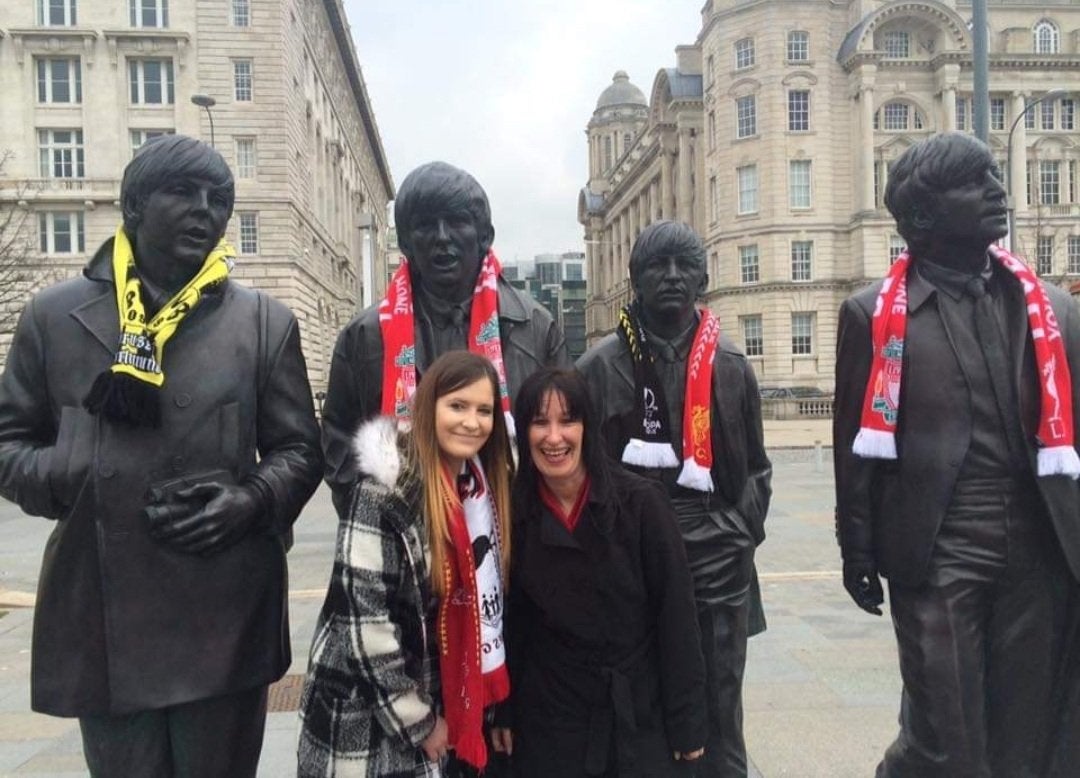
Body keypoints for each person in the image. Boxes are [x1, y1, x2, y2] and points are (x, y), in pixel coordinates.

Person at [0, 134, 322, 776]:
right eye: (184, 193)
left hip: (225, 606)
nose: (206, 210)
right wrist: (68, 473)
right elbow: (8, 443)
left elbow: (298, 450)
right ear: (135, 205)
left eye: (219, 199)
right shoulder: (53, 317)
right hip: (105, 610)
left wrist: (253, 499)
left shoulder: (263, 322)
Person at [833, 131, 1080, 777]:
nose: (998, 191)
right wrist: (856, 549)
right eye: (976, 183)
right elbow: (857, 450)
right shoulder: (873, 316)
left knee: (1025, 740)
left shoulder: (1054, 312)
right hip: (940, 549)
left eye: (995, 176)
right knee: (950, 743)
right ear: (922, 215)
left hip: (1039, 549)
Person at [576, 220, 771, 777]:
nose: (671, 277)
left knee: (719, 717)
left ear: (703, 277)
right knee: (635, 714)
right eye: (656, 266)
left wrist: (737, 533)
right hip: (629, 566)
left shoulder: (730, 366)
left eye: (684, 265)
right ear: (634, 280)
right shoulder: (597, 369)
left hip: (717, 565)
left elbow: (757, 468)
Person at [299, 351, 515, 778]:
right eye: (457, 406)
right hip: (367, 717)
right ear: (428, 406)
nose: (472, 422)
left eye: (484, 410)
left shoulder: (476, 493)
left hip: (436, 698)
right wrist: (419, 721)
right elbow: (365, 626)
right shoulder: (383, 492)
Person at [321, 161, 569, 518]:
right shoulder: (366, 335)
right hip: (406, 536)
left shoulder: (535, 327)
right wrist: (377, 517)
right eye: (425, 225)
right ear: (406, 242)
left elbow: (564, 429)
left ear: (484, 236)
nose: (441, 237)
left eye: (456, 222)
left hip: (514, 535)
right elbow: (338, 437)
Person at [496, 367, 706, 776]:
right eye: (540, 423)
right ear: (523, 432)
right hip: (550, 716)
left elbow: (677, 615)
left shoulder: (642, 504)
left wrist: (688, 722)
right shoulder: (513, 513)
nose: (554, 438)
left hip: (633, 712)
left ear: (587, 427)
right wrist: (504, 707)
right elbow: (513, 624)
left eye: (567, 421)